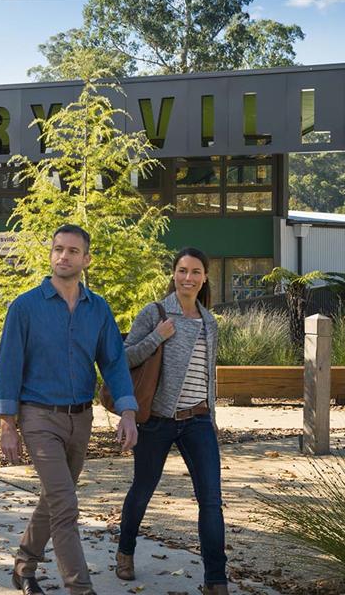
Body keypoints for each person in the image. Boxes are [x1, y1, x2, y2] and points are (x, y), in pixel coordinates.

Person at [0, 224, 139, 595]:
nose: (64, 255)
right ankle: (80, 588)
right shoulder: (25, 307)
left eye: (73, 251)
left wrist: (127, 411)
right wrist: (7, 424)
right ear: (51, 254)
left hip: (81, 418)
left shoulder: (99, 309)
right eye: (58, 249)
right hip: (38, 416)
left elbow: (114, 363)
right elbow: (9, 366)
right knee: (66, 505)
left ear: (86, 259)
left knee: (55, 498)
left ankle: (24, 566)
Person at [114, 247, 228, 595]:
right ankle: (126, 550)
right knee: (143, 489)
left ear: (205, 277)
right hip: (157, 421)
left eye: (195, 272)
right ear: (174, 274)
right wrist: (157, 337)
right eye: (182, 271)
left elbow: (207, 376)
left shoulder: (209, 321)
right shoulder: (155, 312)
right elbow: (125, 357)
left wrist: (212, 417)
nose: (188, 278)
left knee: (210, 499)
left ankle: (215, 580)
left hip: (197, 421)